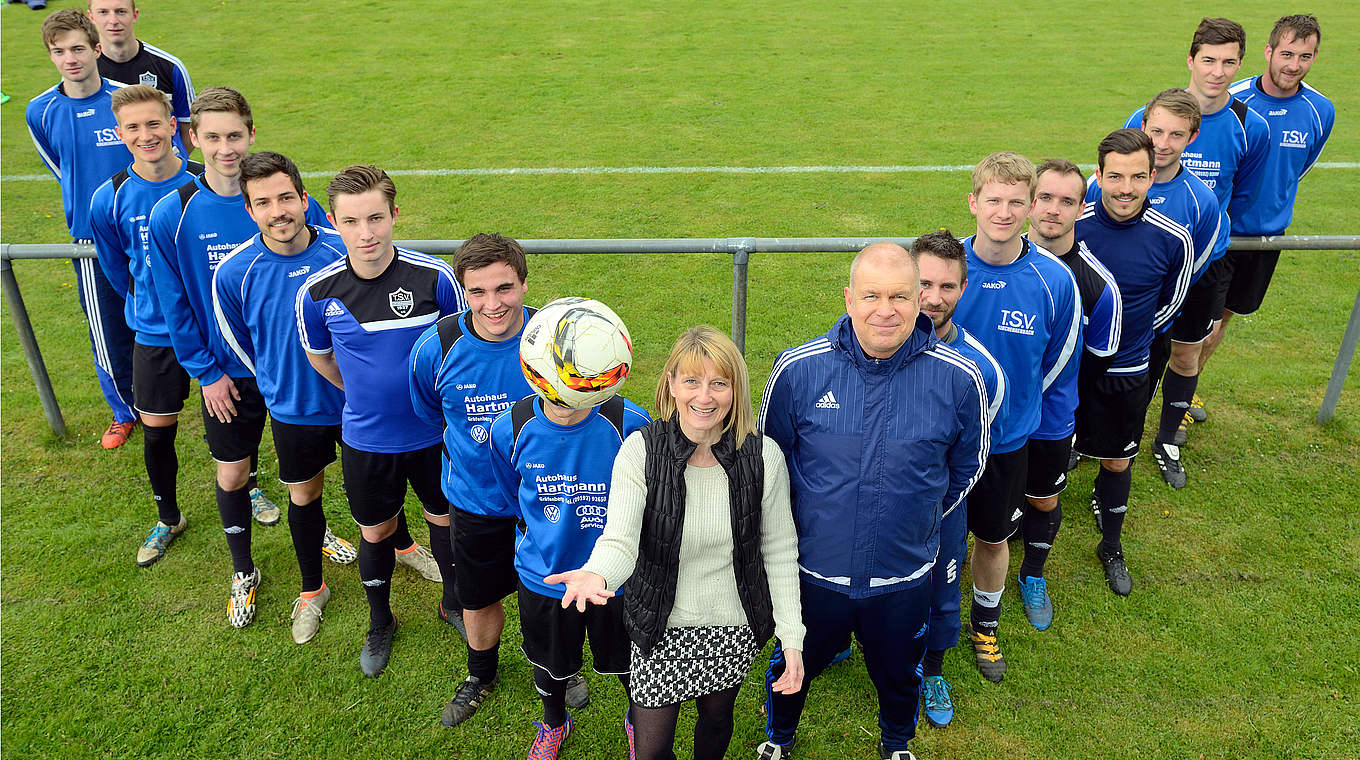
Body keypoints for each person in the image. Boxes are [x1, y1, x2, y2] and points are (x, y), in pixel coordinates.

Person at [758, 243, 987, 760]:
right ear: (848, 298)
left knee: (900, 671)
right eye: (872, 296)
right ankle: (779, 739)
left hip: (902, 576)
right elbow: (771, 463)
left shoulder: (958, 378)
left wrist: (918, 519)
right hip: (814, 573)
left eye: (900, 296)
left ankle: (897, 743)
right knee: (791, 666)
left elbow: (966, 469)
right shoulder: (798, 371)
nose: (886, 310)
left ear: (918, 299)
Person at [553, 325, 803, 760]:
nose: (704, 397)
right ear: (671, 384)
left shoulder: (764, 457)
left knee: (716, 719)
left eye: (718, 383)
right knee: (650, 751)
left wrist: (792, 638)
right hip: (660, 625)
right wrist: (596, 572)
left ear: (736, 390)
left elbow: (779, 552)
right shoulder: (640, 452)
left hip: (733, 624)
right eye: (691, 381)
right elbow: (620, 540)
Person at [147, 87, 332, 628]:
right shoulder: (173, 212)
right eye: (212, 137)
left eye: (234, 135)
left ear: (252, 134)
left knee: (309, 467)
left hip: (298, 368)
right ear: (193, 140)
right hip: (228, 375)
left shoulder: (293, 202)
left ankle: (319, 533)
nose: (225, 147)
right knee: (233, 473)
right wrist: (207, 373)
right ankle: (243, 570)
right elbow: (174, 300)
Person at [409, 235, 590, 726]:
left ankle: (562, 667)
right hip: (477, 503)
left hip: (553, 499)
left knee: (557, 591)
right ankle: (481, 672)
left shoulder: (554, 339)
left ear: (525, 283)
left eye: (505, 288)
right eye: (478, 292)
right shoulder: (437, 348)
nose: (493, 304)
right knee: (480, 596)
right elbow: (430, 416)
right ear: (462, 292)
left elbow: (587, 405)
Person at [297, 164, 467, 675]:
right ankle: (380, 621)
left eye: (375, 218)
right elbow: (320, 358)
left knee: (446, 521)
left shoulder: (435, 278)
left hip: (434, 436)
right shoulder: (317, 292)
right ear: (332, 221)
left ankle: (453, 604)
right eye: (351, 222)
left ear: (395, 214)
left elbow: (459, 352)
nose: (365, 233)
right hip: (367, 440)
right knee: (376, 532)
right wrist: (367, 396)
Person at [211, 151, 361, 644]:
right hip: (294, 409)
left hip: (358, 404)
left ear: (303, 198)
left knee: (375, 488)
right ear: (249, 210)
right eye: (263, 202)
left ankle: (402, 548)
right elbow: (241, 344)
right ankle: (311, 590)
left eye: (285, 197)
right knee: (305, 495)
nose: (278, 211)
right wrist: (279, 380)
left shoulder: (345, 250)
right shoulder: (234, 273)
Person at [951, 153, 1081, 683]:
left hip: (1006, 442)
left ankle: (985, 624)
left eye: (1015, 202)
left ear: (1030, 207)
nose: (1002, 213)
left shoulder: (1054, 281)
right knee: (931, 540)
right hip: (938, 440)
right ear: (973, 203)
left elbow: (1056, 364)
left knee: (992, 538)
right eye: (992, 201)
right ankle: (926, 627)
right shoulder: (942, 268)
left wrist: (1013, 409)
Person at [481, 360, 650, 760]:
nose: (566, 393)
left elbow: (650, 498)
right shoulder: (511, 426)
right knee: (550, 664)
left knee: (630, 664)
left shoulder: (630, 423)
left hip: (617, 578)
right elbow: (513, 497)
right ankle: (555, 722)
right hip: (546, 578)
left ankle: (637, 720)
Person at [1074, 129, 1194, 597]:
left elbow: (1169, 306)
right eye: (1116, 176)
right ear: (1099, 176)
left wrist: (1127, 341)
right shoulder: (1071, 226)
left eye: (1138, 177)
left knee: (1119, 462)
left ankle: (1111, 544)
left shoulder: (1173, 238)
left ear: (1151, 178)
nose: (1126, 187)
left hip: (1127, 372)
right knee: (1044, 452)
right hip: (1067, 374)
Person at [88, 84, 202, 566]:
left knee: (241, 419)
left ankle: (252, 489)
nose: (146, 134)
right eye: (133, 127)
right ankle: (168, 516)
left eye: (154, 123)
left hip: (213, 327)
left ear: (172, 125)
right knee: (157, 431)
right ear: (120, 133)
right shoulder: (108, 197)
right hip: (154, 332)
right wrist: (147, 303)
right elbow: (116, 270)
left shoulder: (206, 182)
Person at [1205, 15, 1335, 400]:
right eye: (1287, 54)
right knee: (1201, 323)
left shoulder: (1320, 110)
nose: (1294, 65)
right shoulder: (1236, 99)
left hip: (1267, 236)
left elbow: (1299, 169)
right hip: (1220, 233)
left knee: (1226, 317)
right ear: (1269, 52)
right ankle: (1170, 396)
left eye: (1305, 56)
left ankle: (1183, 391)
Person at [25, 9, 138, 450]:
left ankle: (208, 385)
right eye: (58, 51)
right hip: (90, 241)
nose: (69, 58)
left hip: (143, 229)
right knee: (106, 326)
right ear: (51, 57)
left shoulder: (125, 99)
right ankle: (124, 411)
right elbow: (61, 168)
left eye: (77, 48)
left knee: (172, 311)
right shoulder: (41, 110)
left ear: (95, 49)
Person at [911, 231, 1008, 729]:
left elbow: (972, 459)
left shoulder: (981, 369)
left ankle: (932, 671)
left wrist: (934, 505)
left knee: (940, 590)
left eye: (947, 286)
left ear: (964, 289)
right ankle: (838, 640)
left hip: (940, 509)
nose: (933, 298)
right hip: (870, 502)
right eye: (924, 283)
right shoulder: (874, 345)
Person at [1108, 90, 1225, 488]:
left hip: (1175, 297)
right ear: (1142, 126)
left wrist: (1154, 315)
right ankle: (1082, 437)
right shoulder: (1104, 183)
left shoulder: (1201, 201)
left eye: (1176, 134)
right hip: (1115, 298)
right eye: (1155, 130)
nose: (1162, 142)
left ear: (1192, 138)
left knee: (1182, 357)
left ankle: (1166, 437)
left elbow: (1195, 265)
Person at [1022, 159, 1122, 616]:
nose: (1053, 210)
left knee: (1043, 498)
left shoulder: (1098, 285)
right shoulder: (982, 263)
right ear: (1028, 202)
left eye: (1067, 201)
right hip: (983, 416)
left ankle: (1034, 573)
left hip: (1049, 418)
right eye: (1045, 197)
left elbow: (1099, 361)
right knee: (973, 492)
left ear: (1083, 208)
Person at [88, 0, 195, 147]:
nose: (113, 21)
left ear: (135, 15)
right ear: (91, 17)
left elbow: (188, 125)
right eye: (103, 12)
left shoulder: (170, 66)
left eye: (121, 11)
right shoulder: (85, 72)